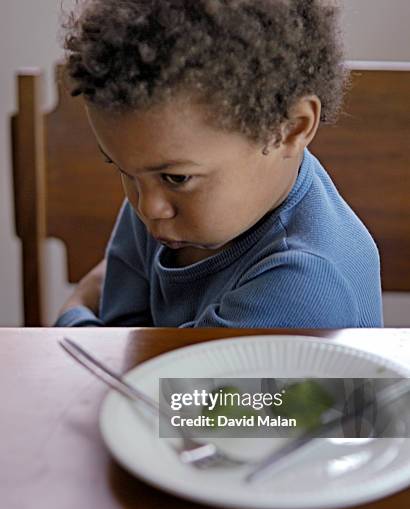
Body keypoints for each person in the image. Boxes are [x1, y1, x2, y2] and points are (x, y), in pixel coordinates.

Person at [55, 0, 383, 328]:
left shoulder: (305, 282)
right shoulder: (157, 190)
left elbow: (148, 378)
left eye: (178, 177)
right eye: (122, 170)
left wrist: (74, 309)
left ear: (290, 128)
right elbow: (118, 336)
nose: (147, 207)